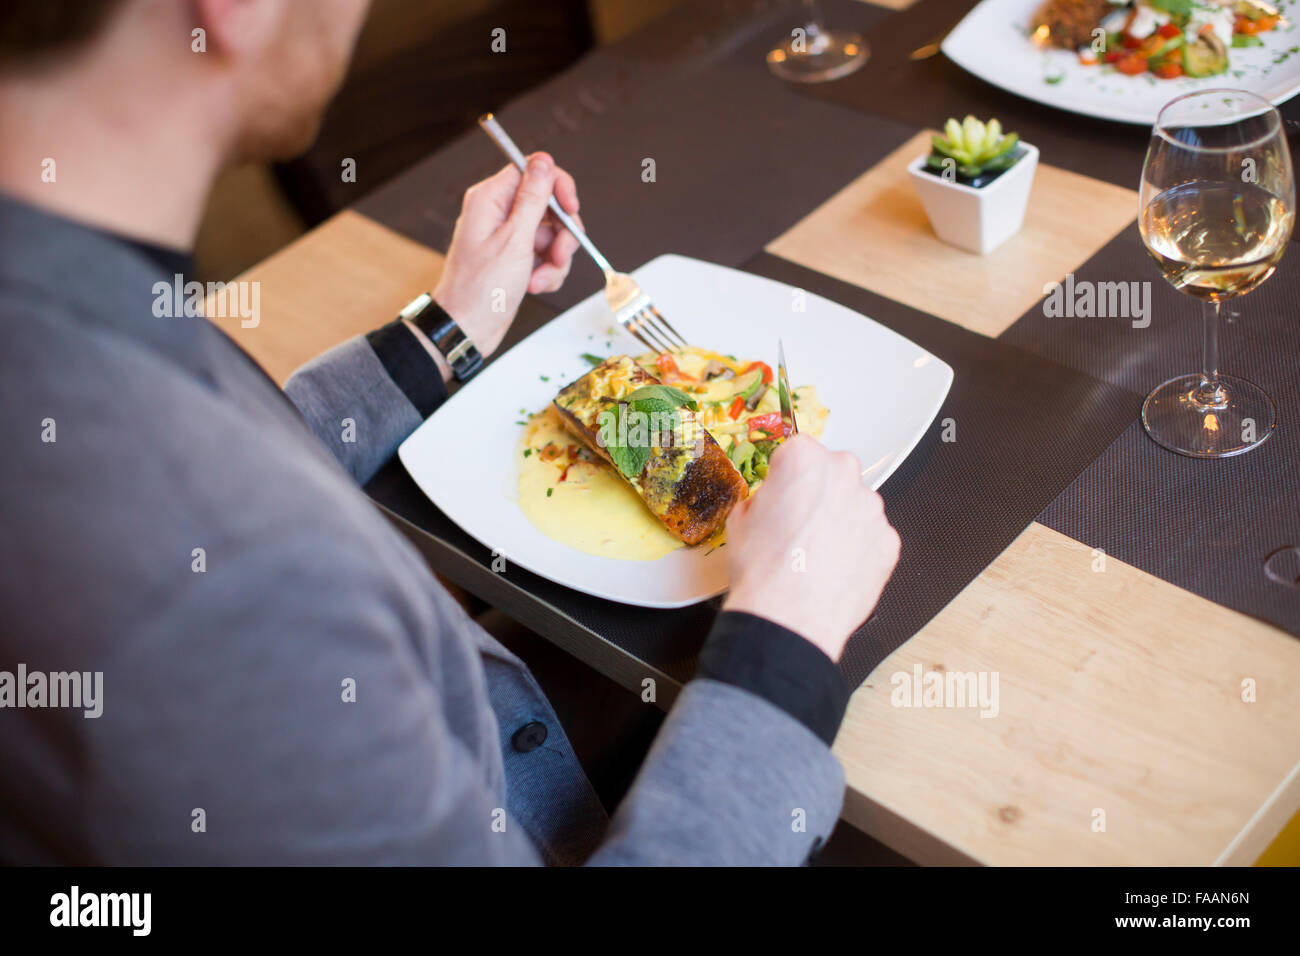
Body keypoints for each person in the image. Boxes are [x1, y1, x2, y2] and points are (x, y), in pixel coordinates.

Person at [0, 0, 899, 865]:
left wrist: (442, 333)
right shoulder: (228, 590)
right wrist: (781, 645)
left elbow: (238, 458)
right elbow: (218, 530)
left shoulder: (63, 305)